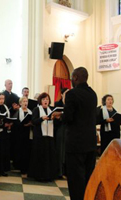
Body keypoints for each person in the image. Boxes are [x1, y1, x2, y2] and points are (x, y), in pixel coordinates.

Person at [52, 67, 98, 200]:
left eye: (72, 77)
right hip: (90, 143)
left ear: (76, 77)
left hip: (76, 144)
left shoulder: (72, 94)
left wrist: (61, 115)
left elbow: (69, 117)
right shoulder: (92, 94)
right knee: (88, 178)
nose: (71, 80)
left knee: (75, 180)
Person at [28, 92, 57, 181]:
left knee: (49, 156)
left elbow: (55, 124)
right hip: (39, 137)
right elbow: (34, 121)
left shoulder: (51, 110)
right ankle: (39, 175)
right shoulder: (37, 109)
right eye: (44, 99)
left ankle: (48, 175)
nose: (46, 101)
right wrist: (41, 119)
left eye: (47, 99)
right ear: (40, 100)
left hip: (49, 136)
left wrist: (56, 118)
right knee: (40, 155)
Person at [12, 97, 32, 174]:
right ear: (20, 103)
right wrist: (23, 124)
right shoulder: (17, 112)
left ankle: (26, 166)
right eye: (23, 101)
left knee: (27, 150)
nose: (25, 103)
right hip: (20, 134)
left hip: (28, 133)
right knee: (20, 149)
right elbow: (15, 123)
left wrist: (30, 123)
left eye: (26, 101)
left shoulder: (30, 112)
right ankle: (19, 166)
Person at [0, 93, 11, 176]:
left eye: (3, 99)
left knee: (3, 151)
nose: (1, 100)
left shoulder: (5, 107)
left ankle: (2, 169)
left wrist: (9, 124)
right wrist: (3, 125)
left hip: (4, 132)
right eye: (0, 98)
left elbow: (7, 117)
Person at [54, 88, 68, 178]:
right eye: (66, 94)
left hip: (69, 130)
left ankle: (66, 171)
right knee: (60, 151)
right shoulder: (57, 104)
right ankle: (59, 171)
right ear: (62, 95)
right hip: (60, 129)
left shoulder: (71, 104)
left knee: (67, 151)